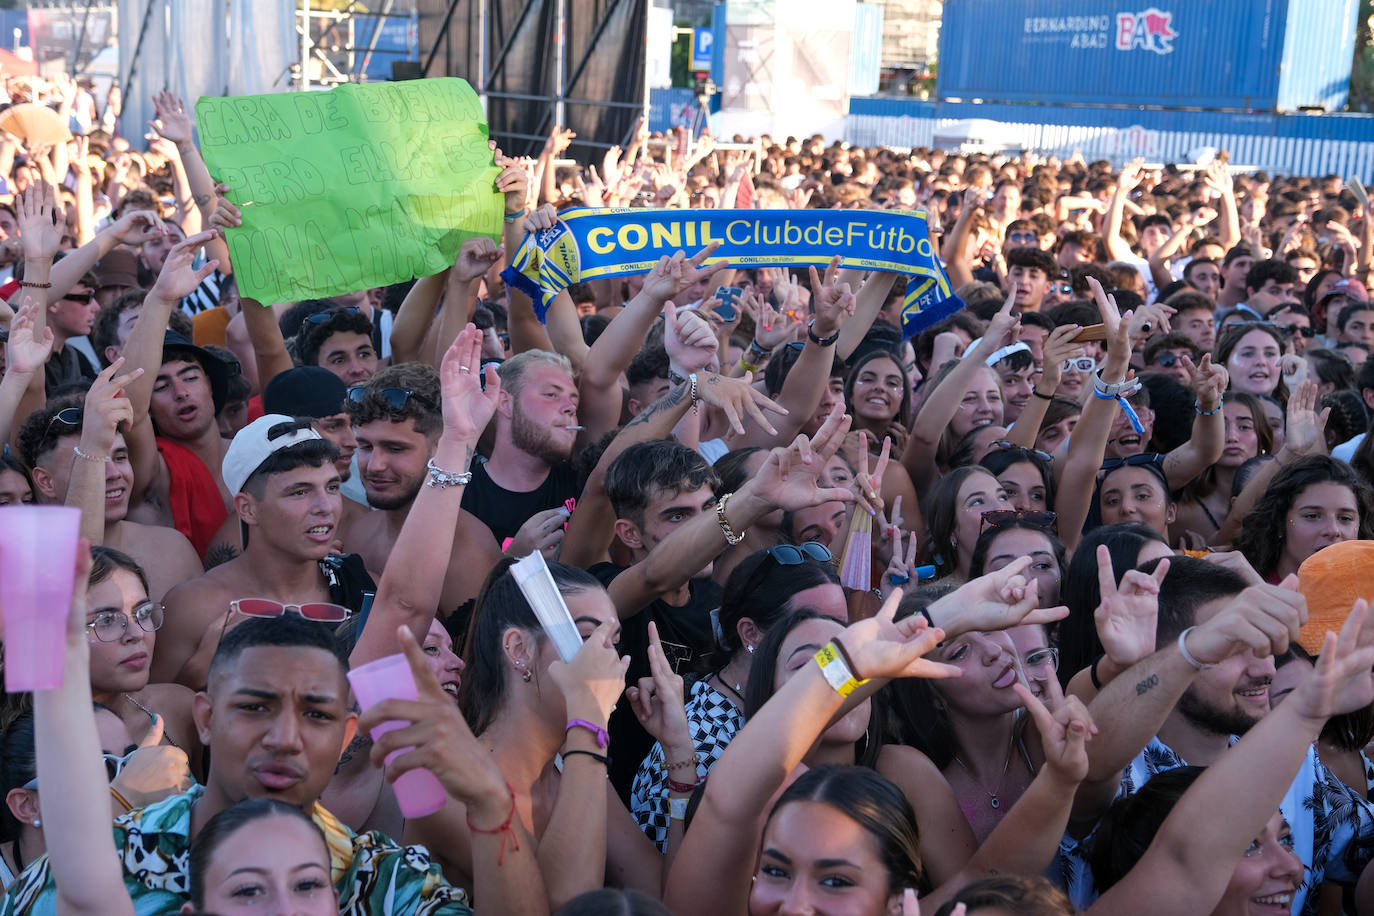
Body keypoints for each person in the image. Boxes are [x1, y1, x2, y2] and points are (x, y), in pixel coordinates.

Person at [153, 414, 374, 689]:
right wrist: (195, 677)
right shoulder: (193, 608)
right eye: (299, 492)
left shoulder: (363, 588)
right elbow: (155, 718)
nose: (325, 506)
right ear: (247, 508)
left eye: (331, 487)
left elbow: (390, 714)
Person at [16, 360, 202, 600]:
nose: (114, 473)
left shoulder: (173, 549)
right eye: (89, 460)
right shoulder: (25, 562)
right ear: (45, 481)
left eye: (120, 457)